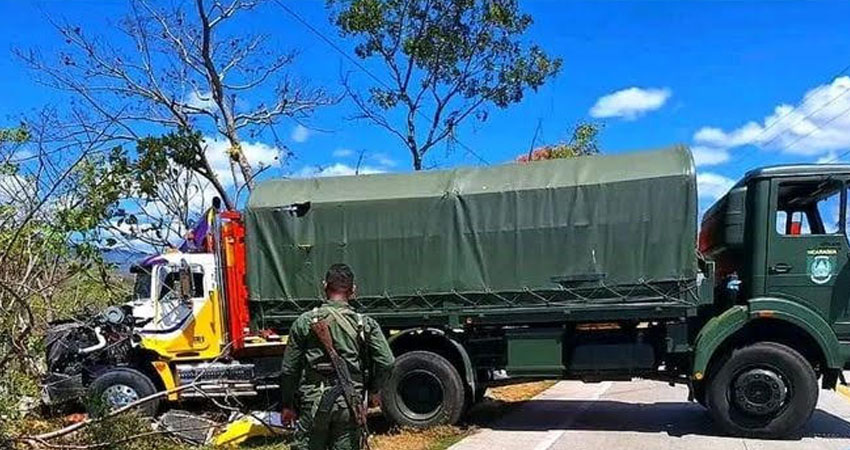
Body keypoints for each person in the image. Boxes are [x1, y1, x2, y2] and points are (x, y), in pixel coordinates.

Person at [280, 263, 395, 450]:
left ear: (324, 286)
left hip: (314, 404)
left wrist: (287, 405)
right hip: (349, 404)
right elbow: (387, 362)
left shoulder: (304, 322)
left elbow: (289, 369)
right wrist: (373, 390)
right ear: (353, 291)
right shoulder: (364, 324)